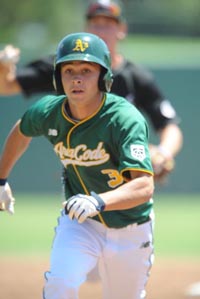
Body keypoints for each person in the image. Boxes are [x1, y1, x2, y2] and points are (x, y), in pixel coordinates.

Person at [0, 32, 154, 299]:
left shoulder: (124, 118)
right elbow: (22, 130)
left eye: (86, 69)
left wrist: (98, 201)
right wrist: (1, 179)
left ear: (103, 76)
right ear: (58, 77)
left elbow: (143, 186)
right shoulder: (49, 111)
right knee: (61, 283)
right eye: (68, 70)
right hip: (82, 223)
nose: (77, 78)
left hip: (131, 227)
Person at [0, 0, 183, 184]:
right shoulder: (63, 66)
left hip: (123, 173)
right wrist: (3, 68)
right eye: (95, 24)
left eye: (108, 24)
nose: (101, 31)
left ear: (122, 29)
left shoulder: (135, 77)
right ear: (86, 28)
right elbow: (6, 86)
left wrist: (162, 153)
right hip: (83, 168)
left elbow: (170, 126)